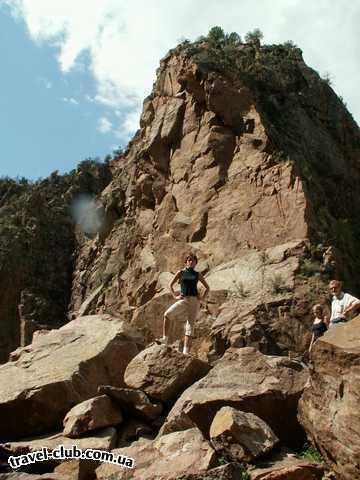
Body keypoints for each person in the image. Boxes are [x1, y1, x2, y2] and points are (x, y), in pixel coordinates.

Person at [160, 253, 210, 354]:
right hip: (183, 300)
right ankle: (164, 340)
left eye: (193, 260)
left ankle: (185, 352)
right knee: (167, 314)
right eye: (189, 260)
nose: (191, 262)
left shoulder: (197, 274)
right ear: (186, 262)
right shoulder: (181, 273)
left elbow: (207, 288)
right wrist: (175, 296)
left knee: (190, 326)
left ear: (196, 263)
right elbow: (170, 285)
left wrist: (202, 298)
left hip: (194, 301)